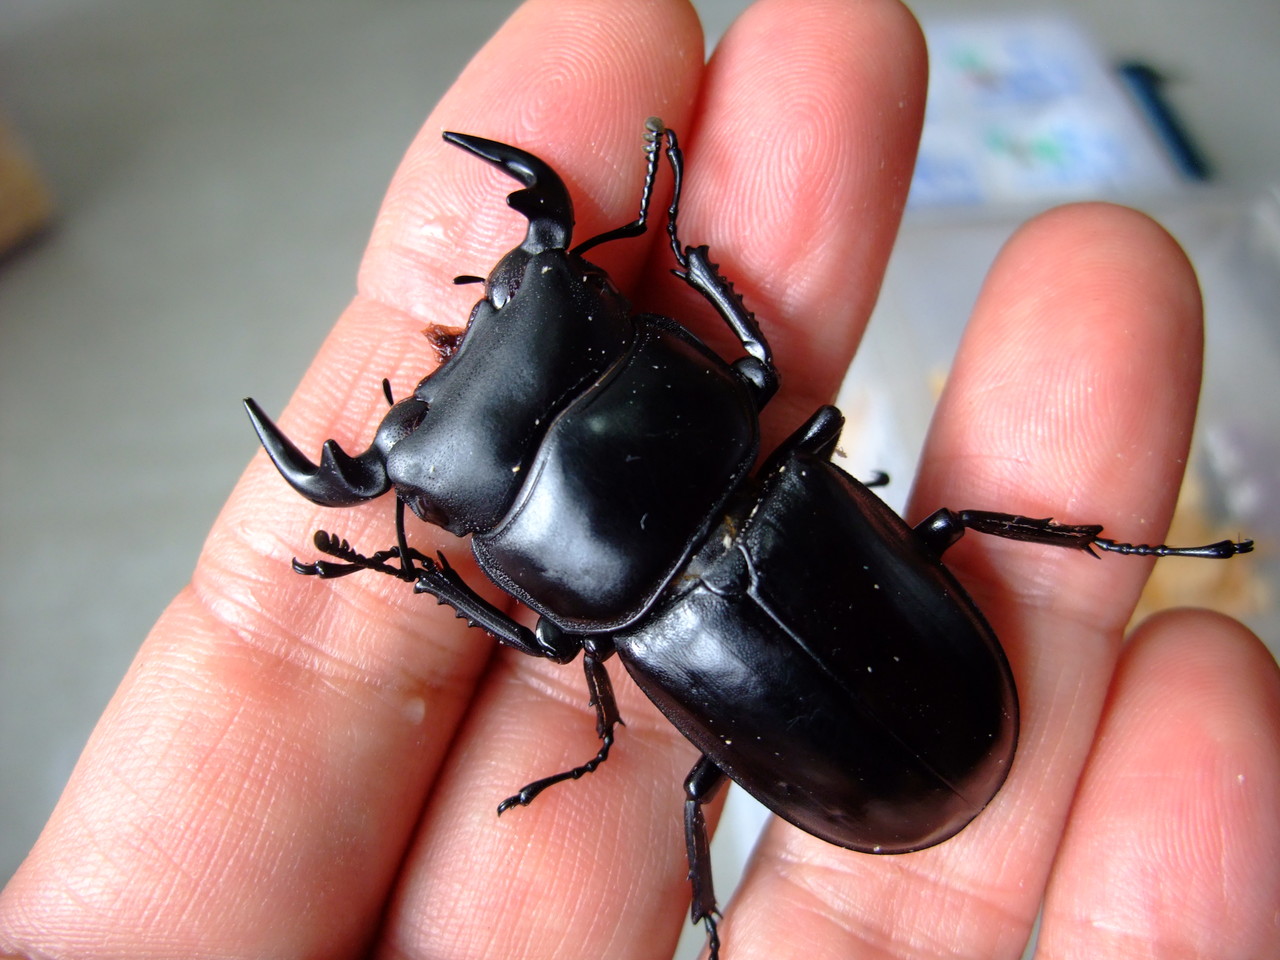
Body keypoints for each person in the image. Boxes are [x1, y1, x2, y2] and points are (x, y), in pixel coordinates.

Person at [2, 1, 1276, 957]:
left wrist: (405, 546)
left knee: (691, 779)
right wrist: (659, 260)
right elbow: (756, 364)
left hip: (883, 725)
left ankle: (711, 925)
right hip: (902, 716)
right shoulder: (766, 434)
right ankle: (1125, 551)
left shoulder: (603, 606)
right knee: (925, 521)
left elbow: (565, 620)